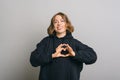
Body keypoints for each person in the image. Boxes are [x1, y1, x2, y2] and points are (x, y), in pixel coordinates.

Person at [30, 12, 97, 80]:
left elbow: (93, 57)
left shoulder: (75, 43)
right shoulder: (46, 42)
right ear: (53, 26)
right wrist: (52, 55)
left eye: (62, 21)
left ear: (67, 24)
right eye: (55, 22)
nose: (59, 24)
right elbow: (33, 60)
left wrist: (74, 54)